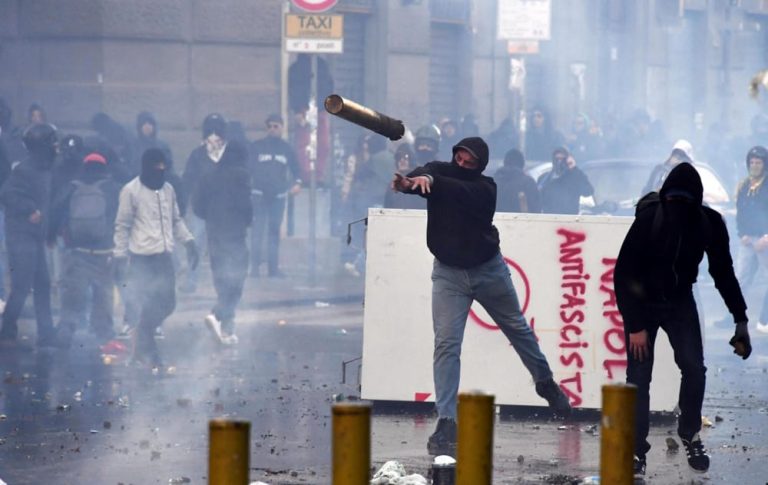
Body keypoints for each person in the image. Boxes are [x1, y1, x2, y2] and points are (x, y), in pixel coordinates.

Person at [391, 136, 571, 456]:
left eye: (468, 162)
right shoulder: (438, 171)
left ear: (480, 167)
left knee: (516, 327)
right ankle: (447, 420)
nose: (461, 165)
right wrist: (408, 183)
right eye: (458, 158)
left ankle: (545, 381)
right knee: (446, 344)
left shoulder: (486, 188)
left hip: (489, 271)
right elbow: (423, 176)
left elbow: (453, 189)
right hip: (448, 273)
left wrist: (429, 180)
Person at [614, 162, 751, 477]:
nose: (677, 206)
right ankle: (636, 450)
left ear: (696, 201)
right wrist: (635, 326)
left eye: (684, 200)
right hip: (643, 304)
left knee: (694, 368)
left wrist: (740, 318)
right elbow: (624, 275)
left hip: (679, 302)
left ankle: (689, 433)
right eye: (672, 198)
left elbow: (723, 272)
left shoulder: (709, 224)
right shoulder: (650, 219)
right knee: (638, 377)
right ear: (664, 198)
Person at [114, 148, 198, 369]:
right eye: (156, 169)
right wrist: (120, 256)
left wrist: (189, 242)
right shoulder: (130, 191)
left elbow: (176, 220)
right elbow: (122, 226)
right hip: (141, 260)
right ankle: (150, 355)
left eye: (163, 169)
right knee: (145, 304)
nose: (160, 174)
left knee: (167, 303)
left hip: (164, 258)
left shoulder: (168, 189)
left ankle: (142, 341)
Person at [48, 152, 121, 349]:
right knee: (103, 297)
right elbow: (120, 218)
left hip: (76, 253)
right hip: (104, 254)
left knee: (72, 300)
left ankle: (64, 335)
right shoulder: (112, 189)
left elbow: (55, 213)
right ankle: (104, 338)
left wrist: (50, 237)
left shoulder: (72, 188)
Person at [0, 123, 58, 348]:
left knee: (42, 283)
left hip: (35, 236)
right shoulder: (25, 169)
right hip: (21, 236)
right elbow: (6, 194)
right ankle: (7, 328)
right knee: (22, 285)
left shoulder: (45, 167)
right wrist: (30, 209)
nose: (55, 146)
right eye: (52, 142)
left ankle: (46, 332)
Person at [193, 140, 252, 345]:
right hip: (235, 235)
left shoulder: (209, 174)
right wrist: (246, 221)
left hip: (214, 235)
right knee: (236, 280)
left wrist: (211, 217)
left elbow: (197, 206)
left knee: (221, 280)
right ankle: (217, 315)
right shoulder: (242, 175)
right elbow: (246, 206)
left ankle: (227, 329)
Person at [249, 114, 302, 278]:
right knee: (257, 232)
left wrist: (297, 184)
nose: (272, 129)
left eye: (276, 126)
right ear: (266, 128)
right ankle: (255, 269)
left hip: (278, 197)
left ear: (282, 128)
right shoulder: (256, 147)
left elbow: (296, 170)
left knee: (273, 232)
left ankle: (273, 269)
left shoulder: (287, 149)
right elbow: (247, 168)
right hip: (258, 196)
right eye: (270, 126)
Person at [180, 113, 228, 292]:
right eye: (210, 131)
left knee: (222, 249)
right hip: (201, 210)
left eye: (217, 132)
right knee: (196, 247)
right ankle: (191, 281)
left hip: (223, 211)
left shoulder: (229, 155)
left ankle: (224, 284)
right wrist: (183, 204)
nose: (214, 135)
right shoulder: (198, 155)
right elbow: (187, 180)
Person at [734, 146, 768, 334]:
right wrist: (742, 234)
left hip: (765, 240)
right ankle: (736, 316)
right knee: (741, 280)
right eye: (752, 162)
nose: (755, 166)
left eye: (759, 162)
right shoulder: (744, 185)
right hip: (747, 240)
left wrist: (767, 236)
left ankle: (765, 319)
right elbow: (741, 212)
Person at [538, 147, 594, 215]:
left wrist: (574, 169)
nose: (559, 162)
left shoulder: (574, 176)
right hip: (549, 219)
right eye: (557, 159)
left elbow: (588, 191)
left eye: (562, 159)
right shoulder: (544, 178)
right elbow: (538, 201)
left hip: (568, 220)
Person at [494, 148, 541, 213]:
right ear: (522, 164)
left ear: (505, 163)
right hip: (521, 222)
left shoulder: (494, 182)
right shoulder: (528, 183)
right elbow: (536, 211)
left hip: (496, 221)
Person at [384, 143, 425, 210]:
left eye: (405, 157)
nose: (402, 160)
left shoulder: (419, 182)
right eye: (399, 157)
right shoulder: (392, 184)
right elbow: (386, 208)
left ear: (411, 159)